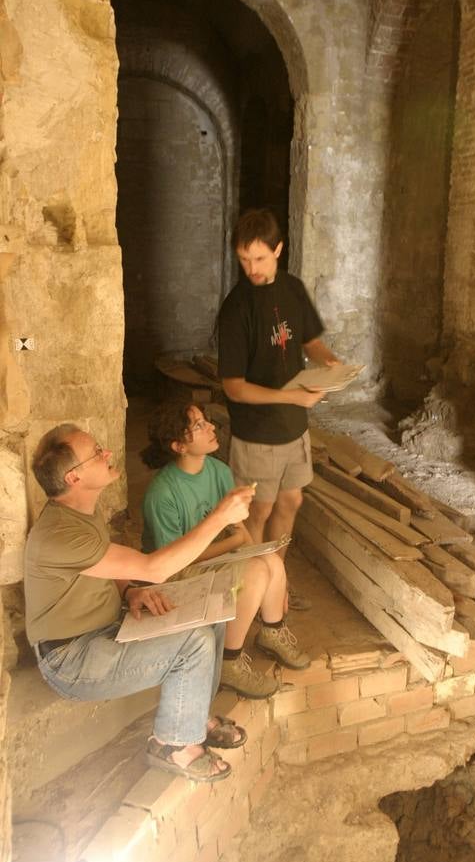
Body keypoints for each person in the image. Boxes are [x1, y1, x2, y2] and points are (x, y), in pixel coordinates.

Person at [24, 422, 254, 782]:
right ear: (74, 477)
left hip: (102, 631)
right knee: (193, 645)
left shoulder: (81, 512)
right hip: (71, 659)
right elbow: (155, 568)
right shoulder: (61, 534)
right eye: (96, 453)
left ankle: (195, 718)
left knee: (212, 610)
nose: (107, 453)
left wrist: (130, 592)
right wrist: (220, 517)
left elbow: (104, 565)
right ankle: (173, 744)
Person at [141, 401, 311, 700]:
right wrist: (236, 547)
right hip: (177, 572)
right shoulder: (162, 492)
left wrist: (262, 560)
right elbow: (170, 562)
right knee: (257, 571)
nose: (211, 427)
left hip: (217, 555)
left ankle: (272, 630)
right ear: (179, 445)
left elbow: (239, 529)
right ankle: (228, 662)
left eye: (206, 421)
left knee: (271, 560)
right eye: (198, 426)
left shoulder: (218, 470)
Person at [217, 208, 339, 609]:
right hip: (257, 434)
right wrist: (290, 396)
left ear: (278, 250)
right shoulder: (236, 309)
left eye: (260, 258)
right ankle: (247, 594)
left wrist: (329, 362)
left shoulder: (292, 289)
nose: (251, 268)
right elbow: (233, 388)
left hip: (294, 428)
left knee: (290, 503)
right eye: (244, 259)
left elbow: (309, 340)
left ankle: (276, 583)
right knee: (257, 514)